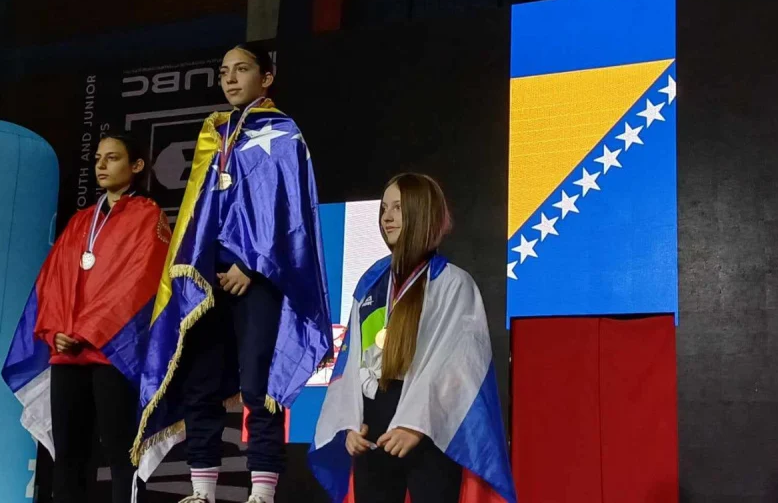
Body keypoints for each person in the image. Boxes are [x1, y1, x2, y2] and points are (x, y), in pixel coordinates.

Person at [131, 42, 332, 503]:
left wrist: (252, 266)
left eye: (242, 69)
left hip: (258, 277)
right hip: (207, 280)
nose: (231, 79)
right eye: (224, 72)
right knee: (200, 382)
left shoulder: (284, 133)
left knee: (258, 384)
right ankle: (202, 490)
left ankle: (261, 491)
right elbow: (197, 215)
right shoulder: (214, 134)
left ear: (266, 77)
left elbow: (290, 214)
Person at [310, 173, 517, 503]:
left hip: (429, 427)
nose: (387, 217)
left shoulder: (452, 283)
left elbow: (460, 365)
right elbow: (352, 359)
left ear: (422, 212)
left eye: (398, 207)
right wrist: (350, 421)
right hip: (372, 424)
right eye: (384, 208)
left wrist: (414, 425)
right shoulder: (371, 282)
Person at [2, 133, 170, 503]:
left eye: (113, 158)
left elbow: (139, 284)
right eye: (97, 158)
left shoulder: (148, 217)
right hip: (68, 353)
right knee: (68, 455)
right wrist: (57, 331)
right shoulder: (80, 222)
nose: (101, 165)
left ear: (136, 165)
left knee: (120, 451)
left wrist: (88, 330)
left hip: (114, 352)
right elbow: (53, 281)